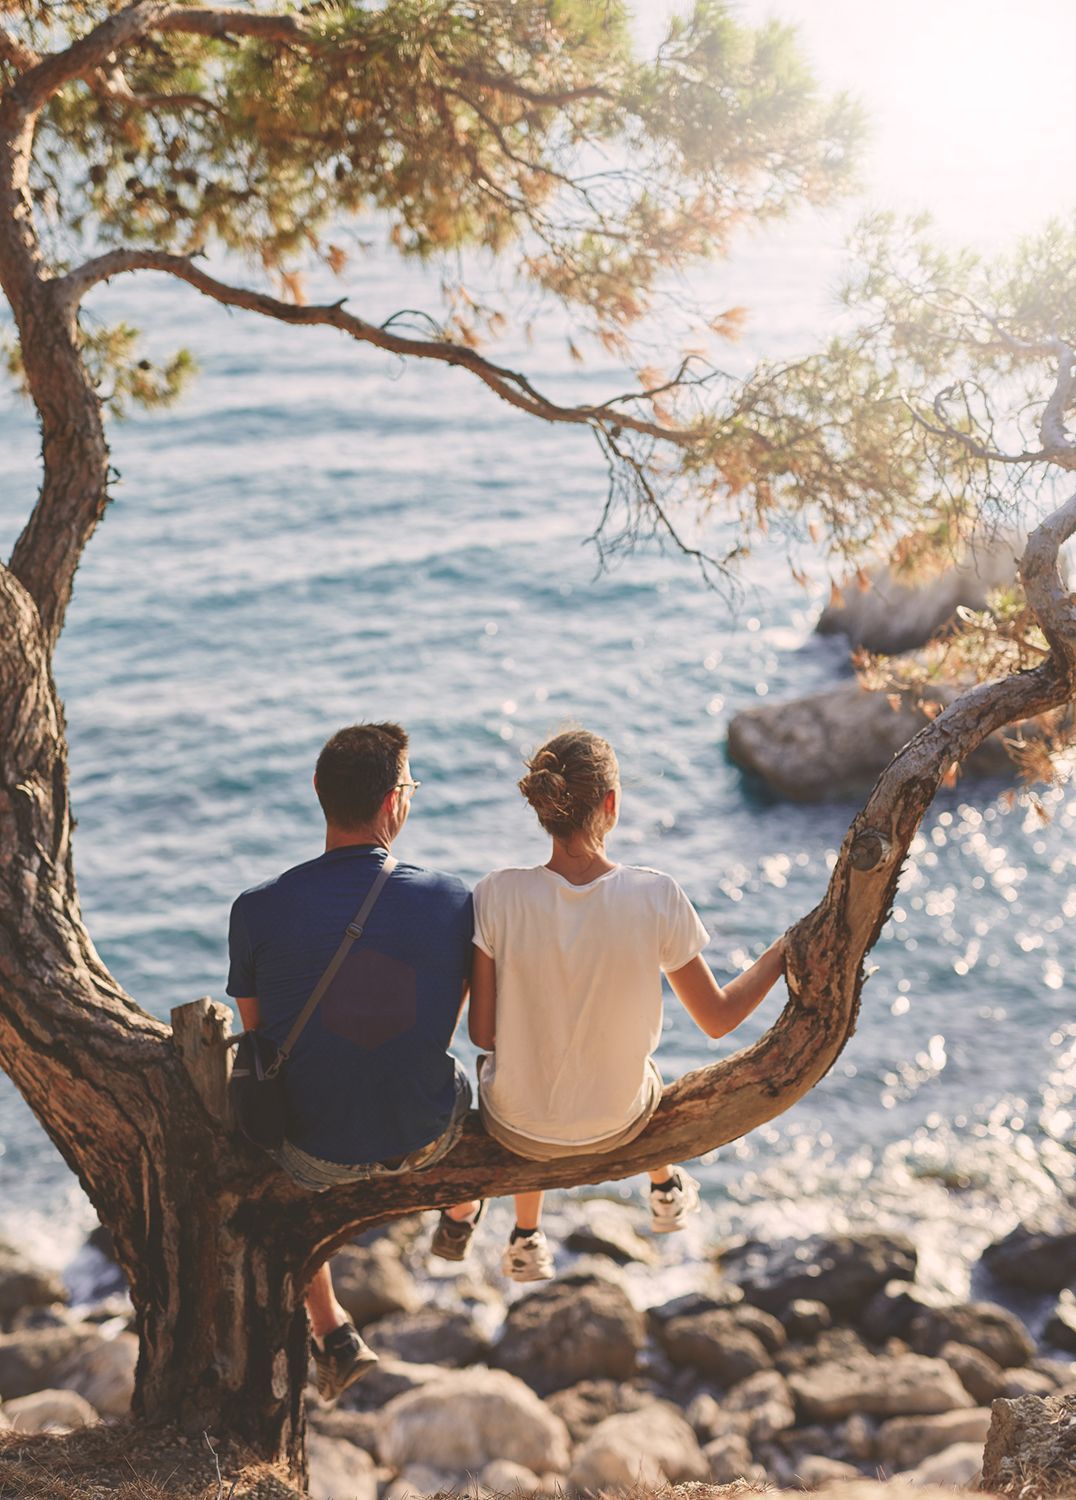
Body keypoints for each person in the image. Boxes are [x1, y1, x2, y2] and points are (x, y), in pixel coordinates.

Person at [457, 727, 786, 1283]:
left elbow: (484, 1036)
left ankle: (527, 1236)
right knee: (642, 1067)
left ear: (542, 807)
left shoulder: (494, 894)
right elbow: (718, 1018)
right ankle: (664, 1188)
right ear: (611, 804)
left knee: (521, 1061)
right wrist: (781, 953)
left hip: (517, 1128)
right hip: (619, 1125)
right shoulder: (655, 895)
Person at [227, 722, 482, 1399]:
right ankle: (458, 1215)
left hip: (316, 1155)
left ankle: (331, 1325)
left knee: (285, 1143)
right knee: (465, 1083)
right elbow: (443, 1028)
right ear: (396, 801)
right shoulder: (454, 899)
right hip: (424, 1135)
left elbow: (263, 1047)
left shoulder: (254, 910)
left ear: (318, 791)